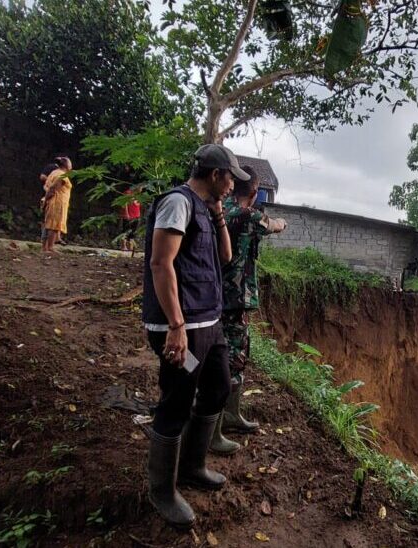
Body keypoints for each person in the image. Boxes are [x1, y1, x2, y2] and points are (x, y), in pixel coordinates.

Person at [142, 144, 250, 528]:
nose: (232, 186)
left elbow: (224, 256)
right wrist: (175, 326)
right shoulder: (178, 203)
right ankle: (163, 491)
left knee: (218, 387)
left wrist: (219, 215)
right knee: (178, 398)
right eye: (230, 178)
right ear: (216, 175)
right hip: (180, 332)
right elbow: (160, 262)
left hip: (209, 327)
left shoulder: (205, 210)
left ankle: (192, 467)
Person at [210, 166, 287, 454]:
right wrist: (281, 221)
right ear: (254, 192)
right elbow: (274, 225)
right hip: (234, 298)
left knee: (231, 354)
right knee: (231, 357)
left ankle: (230, 415)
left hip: (214, 295)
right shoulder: (247, 215)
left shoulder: (220, 208)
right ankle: (216, 429)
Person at [42, 157, 73, 254]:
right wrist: (46, 199)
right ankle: (50, 247)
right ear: (66, 165)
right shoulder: (61, 175)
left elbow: (45, 186)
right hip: (57, 202)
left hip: (53, 201)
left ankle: (45, 248)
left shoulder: (53, 173)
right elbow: (52, 189)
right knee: (54, 225)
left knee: (48, 224)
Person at [39, 160, 60, 243]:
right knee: (47, 218)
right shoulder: (52, 168)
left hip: (57, 198)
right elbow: (42, 176)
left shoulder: (62, 173)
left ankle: (57, 238)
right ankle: (44, 240)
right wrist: (52, 180)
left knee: (57, 218)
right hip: (48, 196)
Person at [119, 186, 141, 253]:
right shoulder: (128, 193)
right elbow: (125, 204)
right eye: (140, 188)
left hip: (136, 215)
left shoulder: (138, 195)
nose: (141, 190)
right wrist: (126, 213)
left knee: (133, 232)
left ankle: (130, 247)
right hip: (129, 215)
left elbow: (138, 205)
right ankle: (123, 246)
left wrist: (139, 214)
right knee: (125, 230)